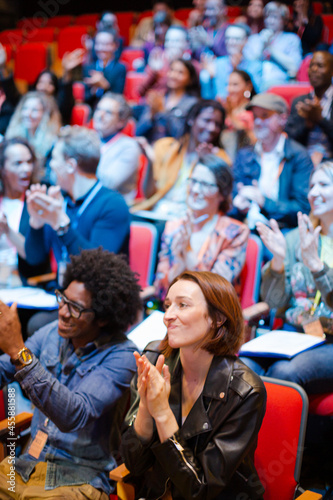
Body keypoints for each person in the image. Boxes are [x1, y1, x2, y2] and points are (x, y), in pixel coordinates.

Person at [0, 248, 142, 499]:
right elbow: (5, 368)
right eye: (63, 299)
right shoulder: (52, 334)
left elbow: (73, 415)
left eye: (75, 307)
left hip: (78, 478)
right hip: (26, 465)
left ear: (104, 318)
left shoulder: (121, 356)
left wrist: (18, 351)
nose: (63, 312)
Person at [121, 270, 267, 499]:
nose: (167, 315)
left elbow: (201, 490)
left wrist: (161, 412)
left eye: (182, 305)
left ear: (217, 318)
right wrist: (145, 410)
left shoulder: (245, 391)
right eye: (168, 305)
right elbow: (133, 464)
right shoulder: (153, 358)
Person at [241, 162, 333, 395]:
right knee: (244, 367)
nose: (313, 192)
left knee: (283, 374)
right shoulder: (295, 239)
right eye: (311, 185)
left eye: (323, 184)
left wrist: (317, 267)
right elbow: (275, 302)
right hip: (297, 333)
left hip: (330, 340)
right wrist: (279, 261)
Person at [24, 126, 130, 277]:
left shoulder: (112, 205)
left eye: (54, 158)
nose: (51, 165)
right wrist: (37, 222)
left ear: (70, 165)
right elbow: (34, 259)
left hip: (99, 298)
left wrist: (62, 224)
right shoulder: (61, 199)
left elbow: (97, 269)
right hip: (63, 294)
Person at [154, 154, 249, 300]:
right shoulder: (173, 228)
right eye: (193, 181)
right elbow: (160, 291)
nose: (196, 190)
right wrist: (178, 261)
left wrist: (187, 251)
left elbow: (216, 292)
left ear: (222, 194)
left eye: (205, 185)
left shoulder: (234, 232)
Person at [133, 99, 230, 219]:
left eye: (217, 124)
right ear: (191, 120)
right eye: (207, 120)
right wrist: (151, 162)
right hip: (156, 212)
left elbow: (221, 204)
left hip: (188, 219)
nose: (211, 128)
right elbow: (149, 195)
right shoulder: (165, 147)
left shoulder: (220, 159)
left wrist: (206, 163)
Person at [232, 93, 313, 231]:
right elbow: (233, 193)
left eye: (264, 116)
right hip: (248, 225)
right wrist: (239, 204)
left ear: (282, 119)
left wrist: (264, 202)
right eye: (255, 117)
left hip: (283, 229)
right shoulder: (245, 154)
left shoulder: (298, 156)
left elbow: (302, 209)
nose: (258, 122)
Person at [0, 138, 50, 286]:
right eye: (18, 163)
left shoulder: (38, 199)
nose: (26, 169)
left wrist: (7, 230)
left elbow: (35, 257)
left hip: (26, 283)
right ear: (2, 169)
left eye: (29, 162)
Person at [285, 51, 333, 167]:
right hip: (303, 162)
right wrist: (307, 124)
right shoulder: (299, 101)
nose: (314, 70)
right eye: (311, 65)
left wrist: (320, 120)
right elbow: (291, 139)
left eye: (320, 66)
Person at [136, 58, 200, 143]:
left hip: (173, 150)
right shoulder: (159, 97)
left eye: (180, 72)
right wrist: (151, 115)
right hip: (150, 146)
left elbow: (180, 135)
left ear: (190, 79)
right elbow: (137, 132)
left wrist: (162, 112)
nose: (173, 75)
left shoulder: (192, 103)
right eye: (172, 70)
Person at [93, 92, 141, 204]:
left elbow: (108, 183)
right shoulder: (89, 138)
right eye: (98, 109)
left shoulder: (129, 147)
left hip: (113, 208)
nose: (100, 115)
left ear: (121, 121)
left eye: (108, 112)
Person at [243, 1, 302, 91]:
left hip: (279, 84)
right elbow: (249, 64)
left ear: (284, 20)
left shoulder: (291, 39)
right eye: (267, 17)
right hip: (253, 85)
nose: (270, 21)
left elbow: (294, 66)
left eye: (275, 17)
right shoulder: (254, 39)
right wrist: (262, 45)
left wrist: (270, 48)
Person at [200, 23, 262, 100]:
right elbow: (208, 97)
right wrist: (209, 78)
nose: (231, 42)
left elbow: (256, 94)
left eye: (237, 39)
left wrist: (237, 68)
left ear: (246, 41)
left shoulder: (255, 66)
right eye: (228, 38)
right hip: (219, 108)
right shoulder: (217, 63)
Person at [5, 91, 61, 172]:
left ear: (45, 114)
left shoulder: (54, 143)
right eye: (25, 108)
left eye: (35, 110)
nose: (28, 114)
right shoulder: (14, 134)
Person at [83, 29, 126, 106]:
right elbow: (85, 98)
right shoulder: (89, 68)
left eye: (106, 44)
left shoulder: (120, 68)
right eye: (98, 44)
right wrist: (93, 91)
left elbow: (119, 97)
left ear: (115, 46)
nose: (101, 48)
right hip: (93, 108)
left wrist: (105, 85)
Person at [220, 69, 256, 161]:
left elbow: (253, 140)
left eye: (235, 85)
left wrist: (230, 115)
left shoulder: (253, 110)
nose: (229, 89)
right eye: (228, 84)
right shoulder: (228, 109)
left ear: (248, 87)